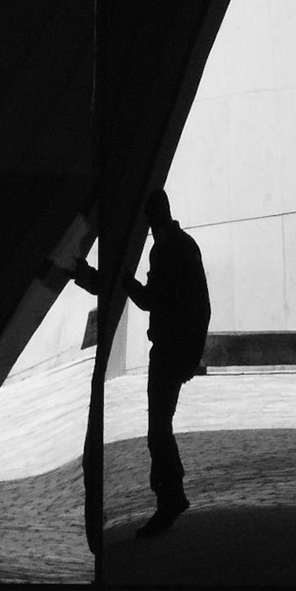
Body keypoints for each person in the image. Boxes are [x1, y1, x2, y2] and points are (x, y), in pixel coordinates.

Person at [73, 189, 212, 537]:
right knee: (160, 426)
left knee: (158, 429)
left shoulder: (166, 249)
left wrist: (122, 281)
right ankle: (171, 495)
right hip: (176, 351)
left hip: (168, 351)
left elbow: (150, 301)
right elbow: (199, 305)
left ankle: (170, 498)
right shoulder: (184, 245)